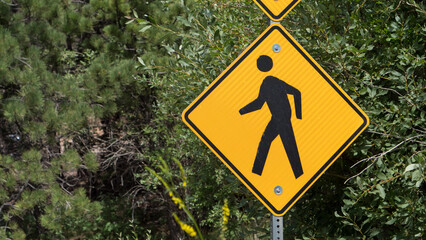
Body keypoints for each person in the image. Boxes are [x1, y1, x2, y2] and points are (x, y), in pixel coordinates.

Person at [239, 55, 303, 178]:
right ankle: (257, 173)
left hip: (282, 119)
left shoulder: (269, 82)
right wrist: (241, 111)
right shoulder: (271, 81)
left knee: (289, 147)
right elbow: (259, 104)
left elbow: (296, 92)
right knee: (269, 142)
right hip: (278, 118)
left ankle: (298, 175)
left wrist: (298, 116)